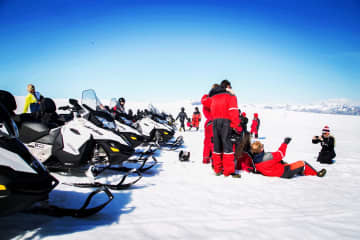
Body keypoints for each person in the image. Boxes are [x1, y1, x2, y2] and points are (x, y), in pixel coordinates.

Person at [205, 79, 242, 177]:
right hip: (226, 122)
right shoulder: (230, 96)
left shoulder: (213, 97)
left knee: (217, 146)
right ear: (228, 87)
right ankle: (228, 171)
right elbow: (234, 112)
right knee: (228, 147)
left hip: (215, 122)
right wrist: (236, 126)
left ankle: (217, 170)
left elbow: (205, 103)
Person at [250, 138, 327, 178]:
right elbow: (281, 153)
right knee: (302, 163)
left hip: (274, 172)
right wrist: (285, 143)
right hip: (283, 172)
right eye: (262, 146)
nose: (263, 146)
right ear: (261, 149)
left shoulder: (254, 160)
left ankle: (301, 172)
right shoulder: (268, 156)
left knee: (284, 162)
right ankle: (317, 173)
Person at [201, 84, 218, 164]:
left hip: (208, 123)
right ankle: (215, 160)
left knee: (207, 142)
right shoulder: (216, 99)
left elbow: (205, 110)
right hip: (216, 123)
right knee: (214, 142)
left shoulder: (206, 98)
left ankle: (206, 159)